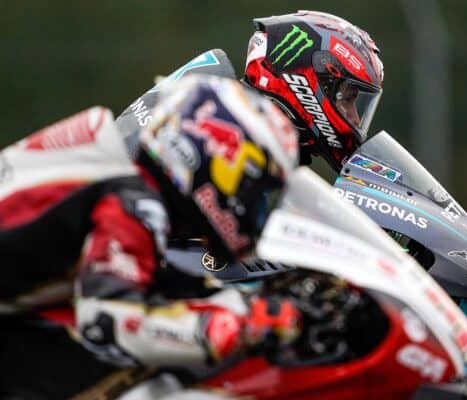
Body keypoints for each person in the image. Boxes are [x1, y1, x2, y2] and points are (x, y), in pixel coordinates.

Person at [0, 75, 301, 399]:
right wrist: (238, 328)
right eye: (256, 190)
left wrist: (239, 302)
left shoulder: (114, 174)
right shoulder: (134, 201)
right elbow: (107, 321)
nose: (254, 210)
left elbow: (147, 280)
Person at [117, 10, 384, 173]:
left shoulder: (269, 149)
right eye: (348, 98)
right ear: (309, 80)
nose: (355, 117)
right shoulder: (216, 123)